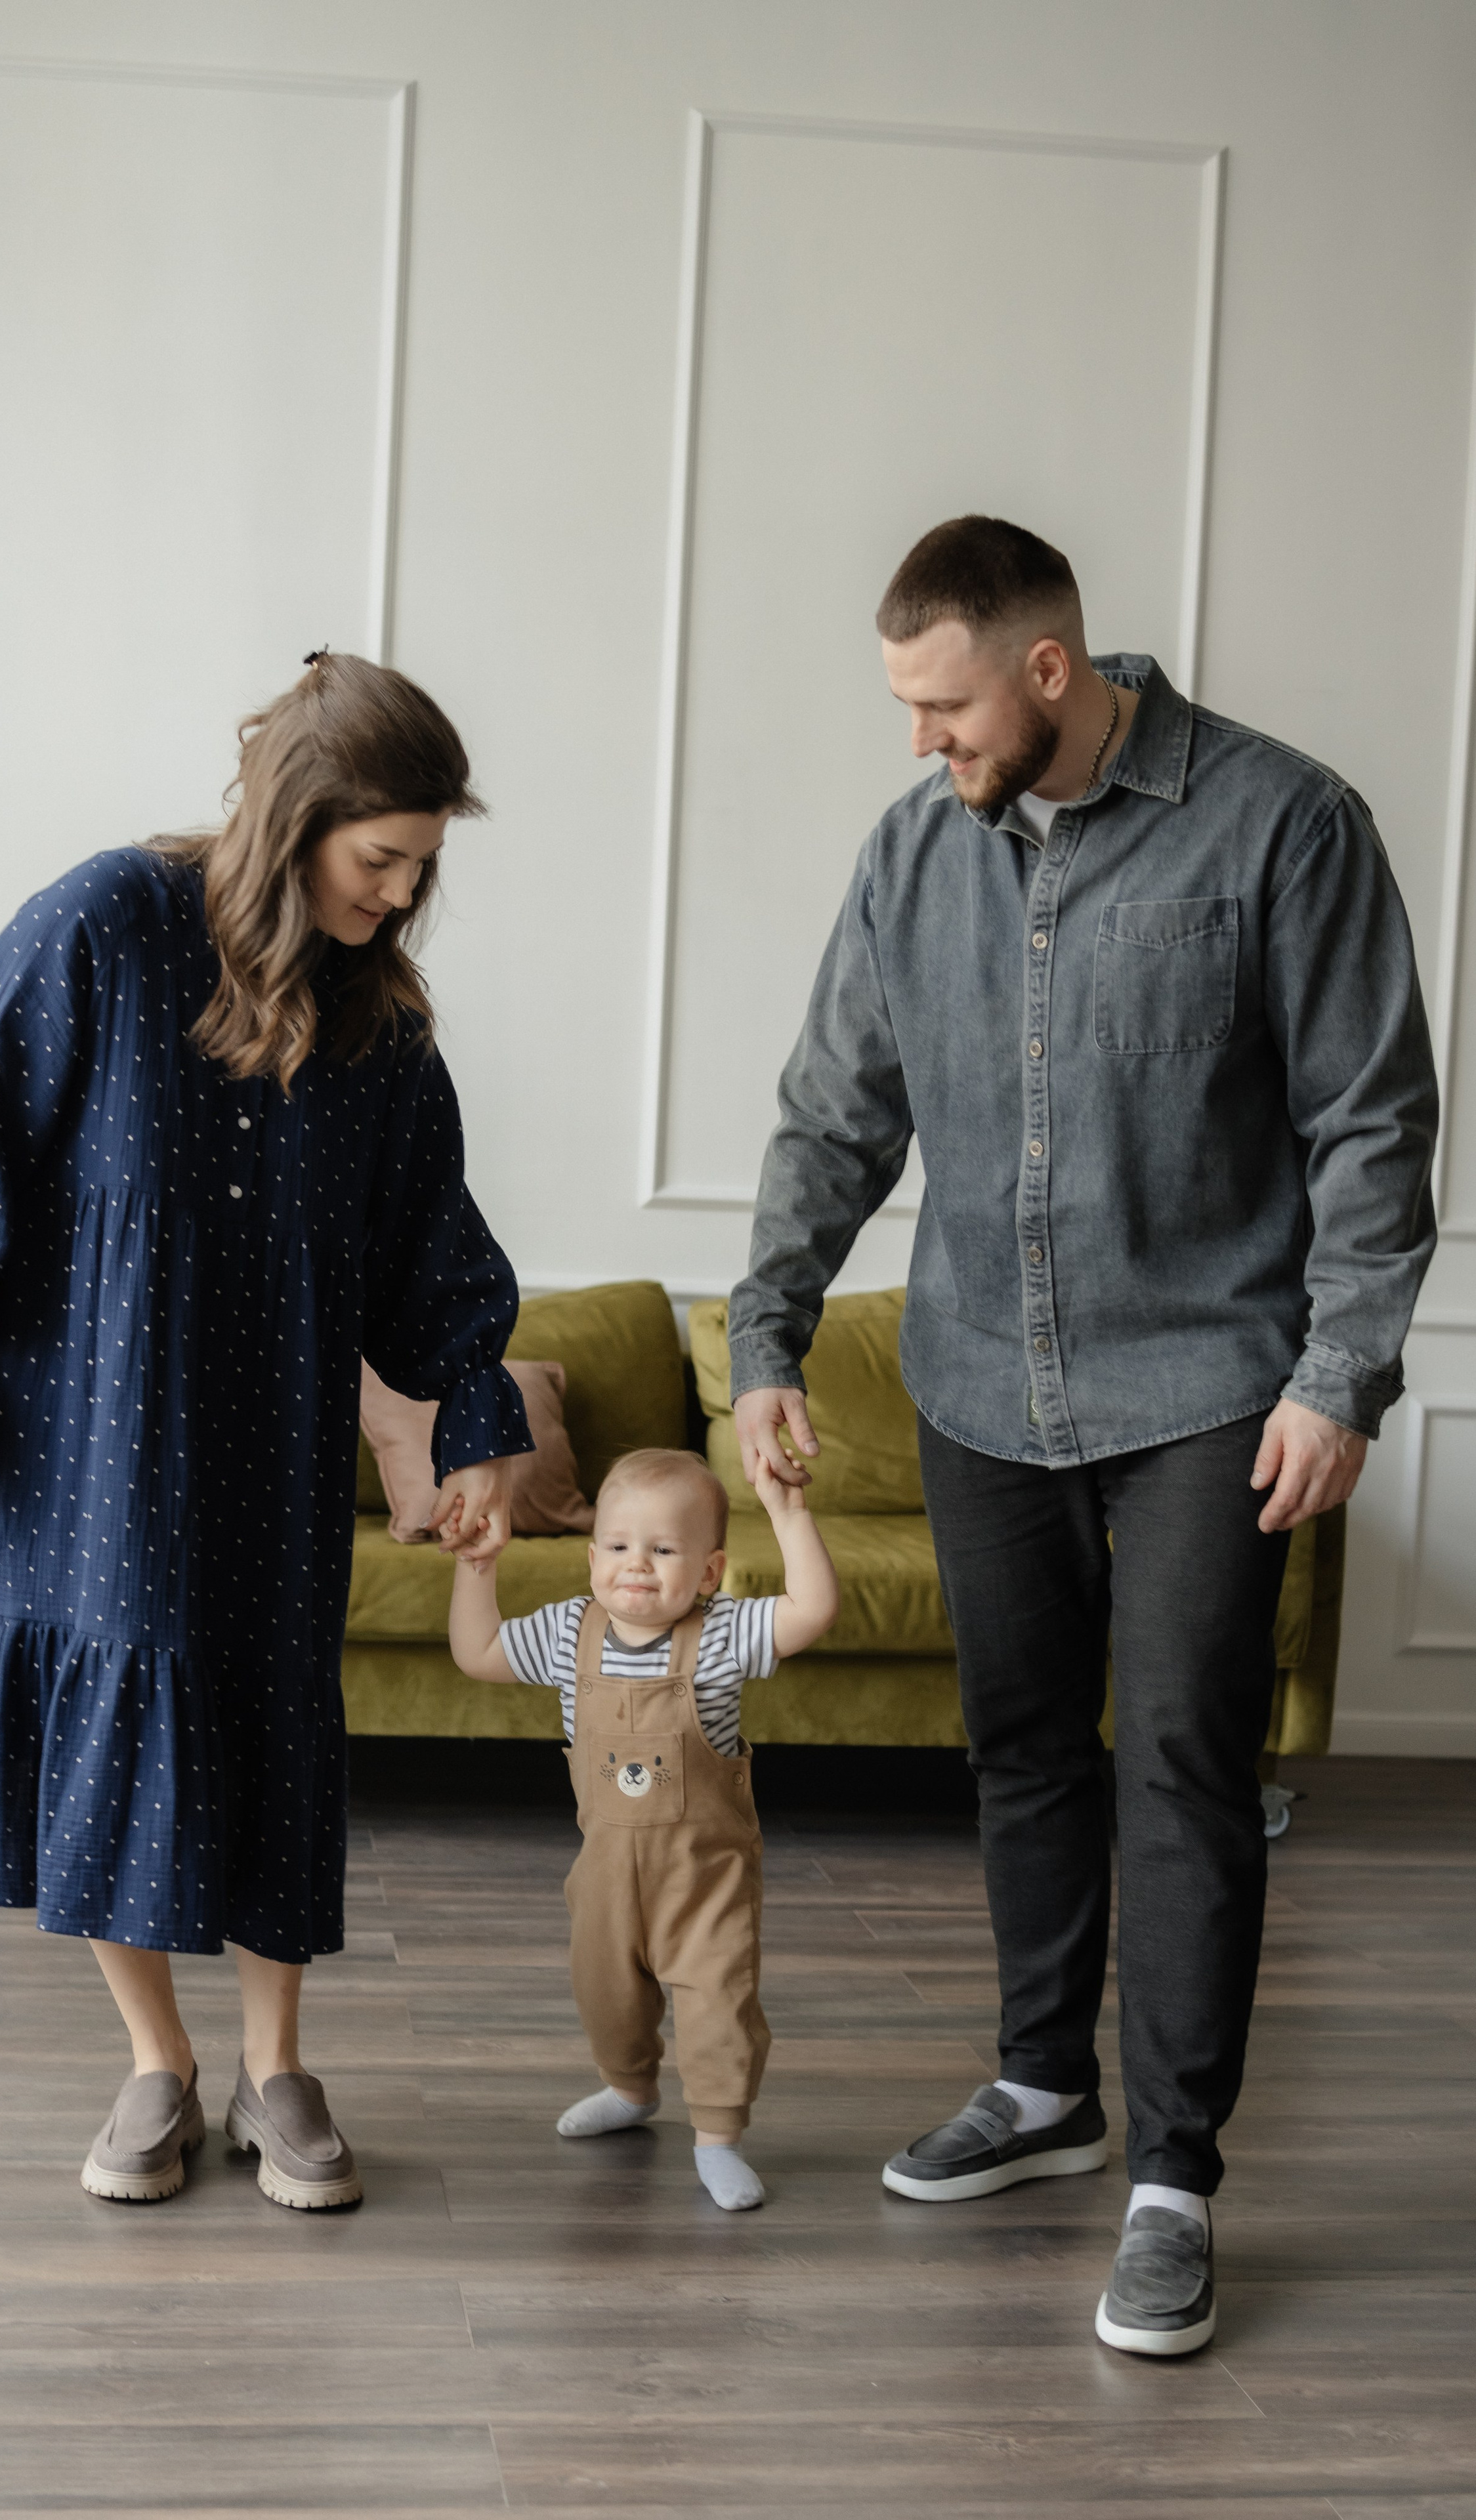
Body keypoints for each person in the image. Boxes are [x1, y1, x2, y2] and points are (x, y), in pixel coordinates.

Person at [728, 516, 1437, 2350]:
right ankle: (1044, 2089)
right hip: (979, 1376)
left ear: (1051, 671)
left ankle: (1174, 2182)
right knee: (1025, 1746)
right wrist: (766, 1335)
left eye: (944, 704)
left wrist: (1339, 1373)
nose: (920, 744)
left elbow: (1373, 1122)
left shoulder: (1288, 826)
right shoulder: (914, 852)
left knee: (1183, 1767)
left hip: (1212, 1387)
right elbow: (834, 1113)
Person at [0, 651, 534, 2212]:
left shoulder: (379, 1024)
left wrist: (472, 1416)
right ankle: (156, 2062)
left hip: (269, 1438)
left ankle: (276, 2069)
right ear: (299, 823)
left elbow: (428, 1238)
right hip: (81, 1433)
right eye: (382, 858)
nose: (404, 891)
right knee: (121, 1723)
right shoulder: (105, 922)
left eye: (425, 863)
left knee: (272, 1719)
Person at [448, 1446, 839, 2208]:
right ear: (593, 1559)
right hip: (603, 1877)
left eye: (663, 1550)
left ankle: (718, 2136)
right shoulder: (570, 1633)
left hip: (704, 1879)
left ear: (708, 1572)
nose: (638, 1565)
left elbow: (811, 1611)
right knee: (605, 1994)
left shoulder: (722, 1637)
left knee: (716, 2005)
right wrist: (476, 1570)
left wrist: (789, 1515)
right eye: (621, 1546)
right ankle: (630, 2090)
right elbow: (480, 1654)